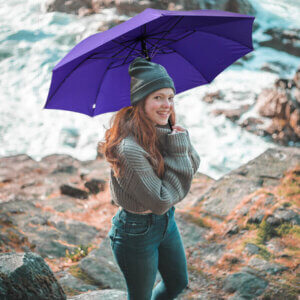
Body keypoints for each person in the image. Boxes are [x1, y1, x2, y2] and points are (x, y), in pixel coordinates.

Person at [98, 57, 201, 300]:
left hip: (166, 223)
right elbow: (161, 200)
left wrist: (178, 139)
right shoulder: (128, 149)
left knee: (177, 283)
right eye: (158, 97)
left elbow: (193, 165)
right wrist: (177, 149)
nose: (167, 105)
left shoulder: (161, 128)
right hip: (136, 231)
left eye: (170, 98)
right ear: (139, 101)